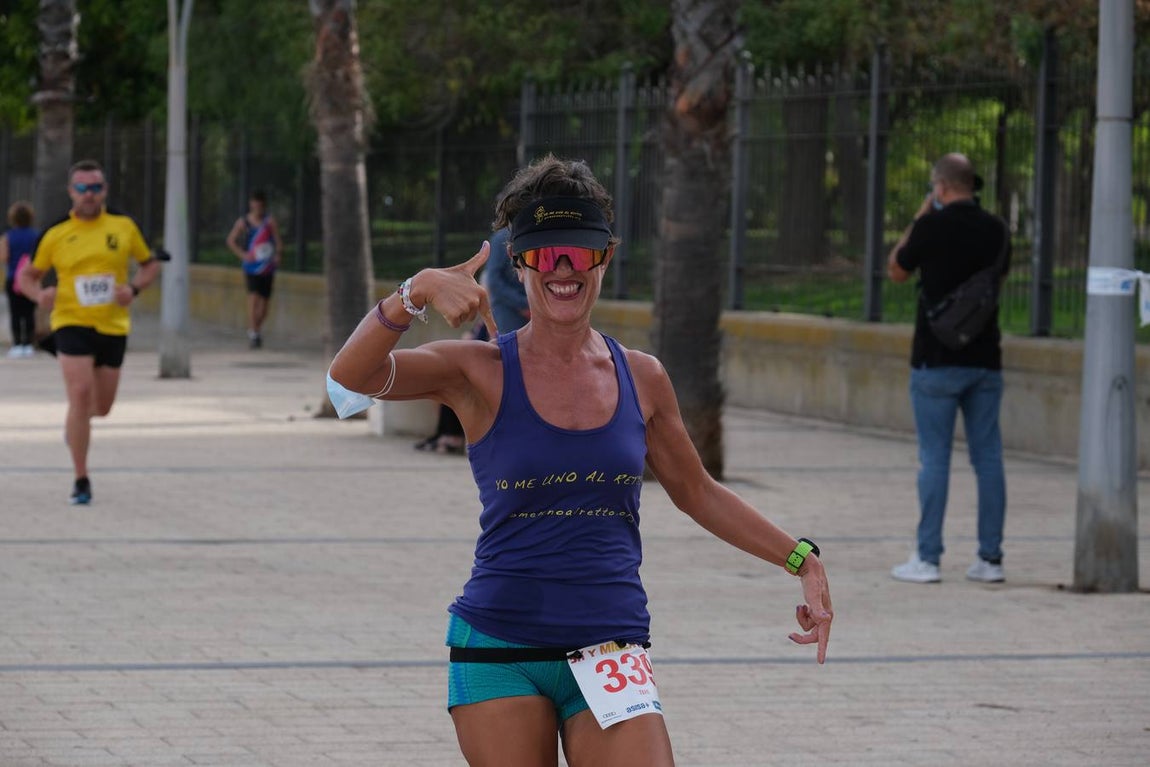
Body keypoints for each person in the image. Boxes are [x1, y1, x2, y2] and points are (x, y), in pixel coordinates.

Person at [327, 155, 833, 766]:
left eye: (580, 252)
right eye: (544, 254)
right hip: (500, 647)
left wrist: (801, 559)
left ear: (606, 258)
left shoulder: (642, 377)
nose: (562, 269)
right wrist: (416, 292)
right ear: (519, 263)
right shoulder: (478, 371)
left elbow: (696, 490)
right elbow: (349, 379)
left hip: (611, 646)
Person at [886, 152, 1010, 584]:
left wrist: (921, 214)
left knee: (934, 458)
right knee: (989, 457)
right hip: (984, 360)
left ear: (940, 187)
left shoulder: (931, 225)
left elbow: (897, 270)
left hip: (935, 361)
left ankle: (928, 558)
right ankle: (990, 560)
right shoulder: (997, 230)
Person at [18, 159, 161, 505]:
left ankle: (75, 426)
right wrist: (41, 295)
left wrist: (135, 289)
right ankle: (81, 479)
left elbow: (150, 264)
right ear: (71, 192)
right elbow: (25, 277)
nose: (88, 195)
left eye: (95, 188)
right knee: (79, 394)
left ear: (104, 191)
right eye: (81, 188)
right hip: (70, 321)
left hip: (113, 325)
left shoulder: (123, 227)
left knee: (102, 407)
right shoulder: (55, 234)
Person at [414, 226, 530, 455]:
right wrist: (525, 304)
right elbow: (495, 284)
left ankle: (453, 436)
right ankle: (449, 434)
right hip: (504, 322)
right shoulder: (502, 240)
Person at [225, 189, 282, 349]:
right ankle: (253, 332)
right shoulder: (244, 222)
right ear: (251, 204)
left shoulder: (269, 222)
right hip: (251, 267)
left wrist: (278, 254)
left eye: (260, 204)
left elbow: (278, 241)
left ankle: (256, 327)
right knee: (253, 298)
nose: (257, 206)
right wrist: (243, 255)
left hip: (267, 266)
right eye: (254, 203)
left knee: (264, 305)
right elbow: (230, 240)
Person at [2, 201, 40, 358]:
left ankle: (17, 344)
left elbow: (3, 257)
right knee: (29, 313)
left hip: (13, 278)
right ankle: (29, 344)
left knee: (16, 313)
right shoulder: (37, 235)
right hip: (31, 279)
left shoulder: (8, 237)